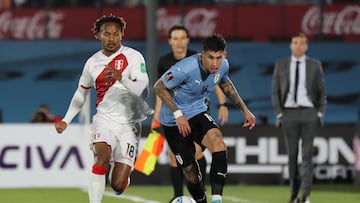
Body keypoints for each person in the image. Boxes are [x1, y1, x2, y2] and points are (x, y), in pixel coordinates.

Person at [54, 14, 152, 203]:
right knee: (101, 157)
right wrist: (66, 120)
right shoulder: (92, 63)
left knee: (117, 184)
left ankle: (122, 179)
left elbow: (142, 89)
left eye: (116, 34)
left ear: (122, 35)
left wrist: (121, 77)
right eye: (107, 34)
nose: (111, 39)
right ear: (98, 35)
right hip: (104, 120)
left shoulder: (133, 57)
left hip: (129, 125)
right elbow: (81, 93)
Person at [154, 33, 256, 203]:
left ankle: (217, 199)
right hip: (173, 121)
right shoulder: (185, 68)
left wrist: (245, 110)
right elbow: (159, 86)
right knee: (191, 173)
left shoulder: (223, 66)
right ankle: (201, 200)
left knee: (218, 142)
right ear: (203, 54)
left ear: (225, 55)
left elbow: (225, 83)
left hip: (198, 113)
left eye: (219, 57)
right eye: (210, 57)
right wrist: (178, 114)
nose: (215, 63)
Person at [152, 25, 229, 202]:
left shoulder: (202, 58)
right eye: (175, 39)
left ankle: (202, 190)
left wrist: (223, 104)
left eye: (182, 38)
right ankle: (180, 195)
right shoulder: (164, 62)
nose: (179, 42)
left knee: (198, 151)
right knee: (177, 159)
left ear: (187, 40)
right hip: (174, 115)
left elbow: (216, 80)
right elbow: (163, 88)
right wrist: (157, 113)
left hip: (198, 111)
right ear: (170, 41)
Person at [271, 32, 326, 203]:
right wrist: (280, 113)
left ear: (306, 46)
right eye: (295, 42)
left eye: (302, 43)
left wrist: (319, 113)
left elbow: (322, 91)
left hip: (309, 113)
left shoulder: (315, 65)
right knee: (292, 155)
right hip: (289, 113)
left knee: (307, 155)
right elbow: (275, 91)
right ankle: (294, 192)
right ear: (291, 45)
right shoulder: (281, 64)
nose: (298, 46)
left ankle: (306, 194)